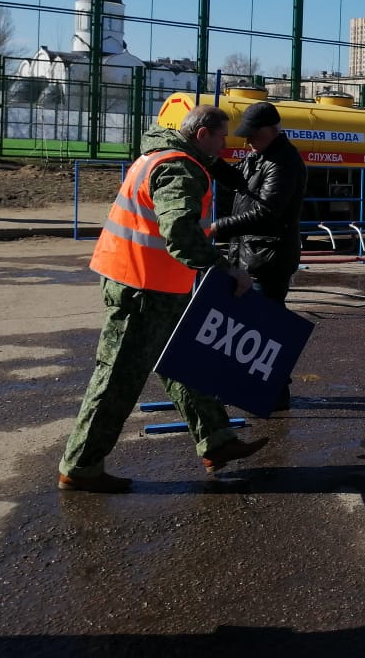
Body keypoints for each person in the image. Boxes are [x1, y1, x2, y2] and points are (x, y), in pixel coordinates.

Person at [58, 105, 269, 493]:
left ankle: (218, 441)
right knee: (117, 378)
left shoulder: (155, 155)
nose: (226, 145)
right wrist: (225, 269)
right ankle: (81, 465)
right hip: (142, 288)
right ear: (203, 133)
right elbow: (180, 233)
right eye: (222, 137)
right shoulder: (180, 167)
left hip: (152, 284)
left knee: (183, 362)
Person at [212, 101, 308, 411]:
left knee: (267, 325)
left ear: (269, 131)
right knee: (252, 325)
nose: (247, 142)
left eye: (252, 136)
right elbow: (235, 179)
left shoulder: (283, 162)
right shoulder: (260, 156)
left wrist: (217, 228)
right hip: (251, 252)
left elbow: (267, 212)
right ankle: (257, 388)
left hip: (269, 257)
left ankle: (276, 394)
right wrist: (208, 159)